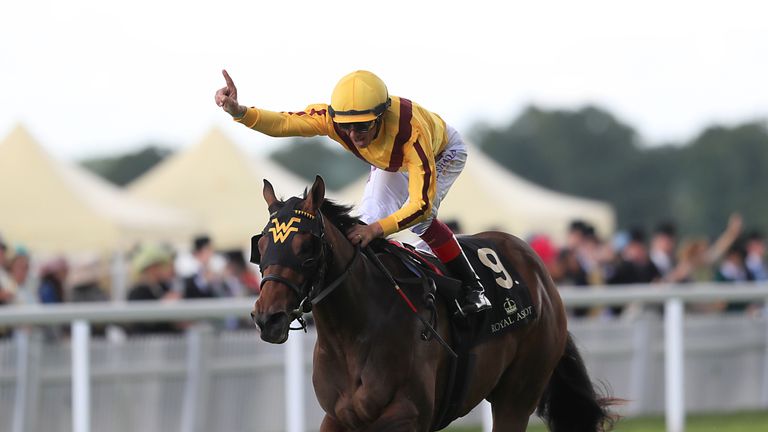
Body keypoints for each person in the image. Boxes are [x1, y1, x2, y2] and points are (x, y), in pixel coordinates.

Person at [215, 69, 490, 315]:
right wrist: (240, 112)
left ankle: (472, 287)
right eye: (347, 126)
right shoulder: (335, 120)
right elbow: (285, 124)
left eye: (363, 126)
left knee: (419, 222)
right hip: (392, 162)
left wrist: (376, 230)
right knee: (365, 223)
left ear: (381, 117)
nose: (354, 134)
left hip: (441, 153)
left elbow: (421, 205)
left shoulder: (411, 134)